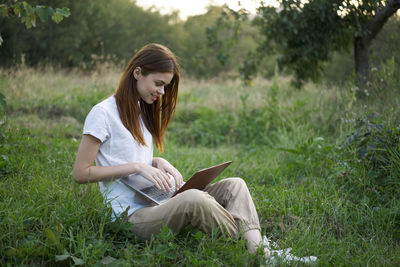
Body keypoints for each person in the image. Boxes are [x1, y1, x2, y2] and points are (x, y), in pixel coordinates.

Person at [73, 43, 270, 257]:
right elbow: (81, 173)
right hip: (131, 216)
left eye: (165, 86)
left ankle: (259, 252)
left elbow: (129, 155)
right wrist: (137, 167)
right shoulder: (102, 113)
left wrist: (158, 162)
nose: (162, 91)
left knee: (235, 185)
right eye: (158, 83)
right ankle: (259, 251)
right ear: (138, 73)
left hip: (158, 200)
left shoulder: (141, 109)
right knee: (194, 199)